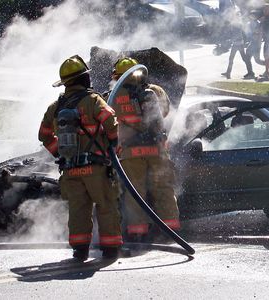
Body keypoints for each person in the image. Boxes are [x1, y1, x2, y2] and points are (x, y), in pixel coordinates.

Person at [38, 55, 122, 261]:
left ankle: (80, 250)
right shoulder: (93, 100)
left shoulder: (55, 107)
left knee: (78, 210)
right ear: (84, 79)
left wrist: (59, 152)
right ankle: (110, 249)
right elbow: (110, 121)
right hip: (96, 168)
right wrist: (113, 144)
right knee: (106, 206)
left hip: (70, 171)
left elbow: (43, 134)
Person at [109, 57, 180, 242]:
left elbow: (107, 121)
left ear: (118, 77)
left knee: (135, 194)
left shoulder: (113, 95)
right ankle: (170, 230)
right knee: (163, 189)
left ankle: (138, 232)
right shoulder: (155, 91)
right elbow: (164, 112)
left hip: (130, 154)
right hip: (157, 149)